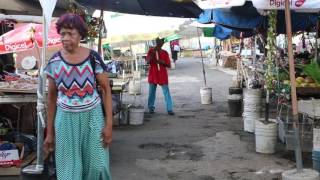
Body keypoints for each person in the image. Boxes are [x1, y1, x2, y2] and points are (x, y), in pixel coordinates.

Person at [43, 13, 112, 180]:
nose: (65, 38)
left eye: (71, 33)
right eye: (63, 34)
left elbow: (105, 90)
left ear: (80, 35)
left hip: (92, 117)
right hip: (65, 120)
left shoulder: (93, 58)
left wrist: (109, 124)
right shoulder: (54, 62)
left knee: (98, 165)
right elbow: (51, 98)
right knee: (69, 170)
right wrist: (50, 132)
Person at [146, 38, 174, 115]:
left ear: (163, 42)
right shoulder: (151, 51)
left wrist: (162, 62)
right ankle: (151, 107)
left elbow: (169, 65)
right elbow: (147, 61)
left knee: (166, 92)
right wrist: (153, 53)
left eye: (161, 41)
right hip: (153, 74)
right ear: (156, 42)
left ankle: (170, 109)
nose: (159, 43)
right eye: (157, 41)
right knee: (151, 92)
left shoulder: (165, 53)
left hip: (162, 75)